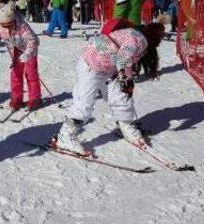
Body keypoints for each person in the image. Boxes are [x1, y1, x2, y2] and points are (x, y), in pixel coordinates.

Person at [52, 18, 149, 155]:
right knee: (84, 101)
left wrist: (126, 79)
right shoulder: (138, 39)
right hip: (91, 64)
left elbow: (124, 58)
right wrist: (127, 80)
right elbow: (123, 59)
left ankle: (125, 124)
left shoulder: (133, 34)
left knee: (121, 96)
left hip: (108, 67)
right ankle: (65, 136)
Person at [0, 2, 42, 111]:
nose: (7, 28)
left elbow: (32, 40)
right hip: (14, 50)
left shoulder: (22, 25)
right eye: (4, 25)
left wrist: (27, 53)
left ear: (13, 20)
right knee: (15, 74)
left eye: (9, 25)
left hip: (29, 49)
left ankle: (35, 99)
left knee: (30, 73)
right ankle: (17, 99)